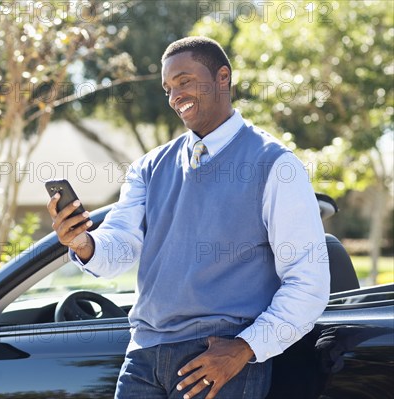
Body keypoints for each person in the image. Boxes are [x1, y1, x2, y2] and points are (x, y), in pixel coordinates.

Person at [47, 36, 330, 399]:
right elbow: (120, 247)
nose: (174, 96)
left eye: (184, 81)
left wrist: (244, 349)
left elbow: (308, 281)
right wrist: (83, 243)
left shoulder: (275, 164)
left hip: (218, 362)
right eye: (168, 88)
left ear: (222, 77)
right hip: (143, 359)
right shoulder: (147, 168)